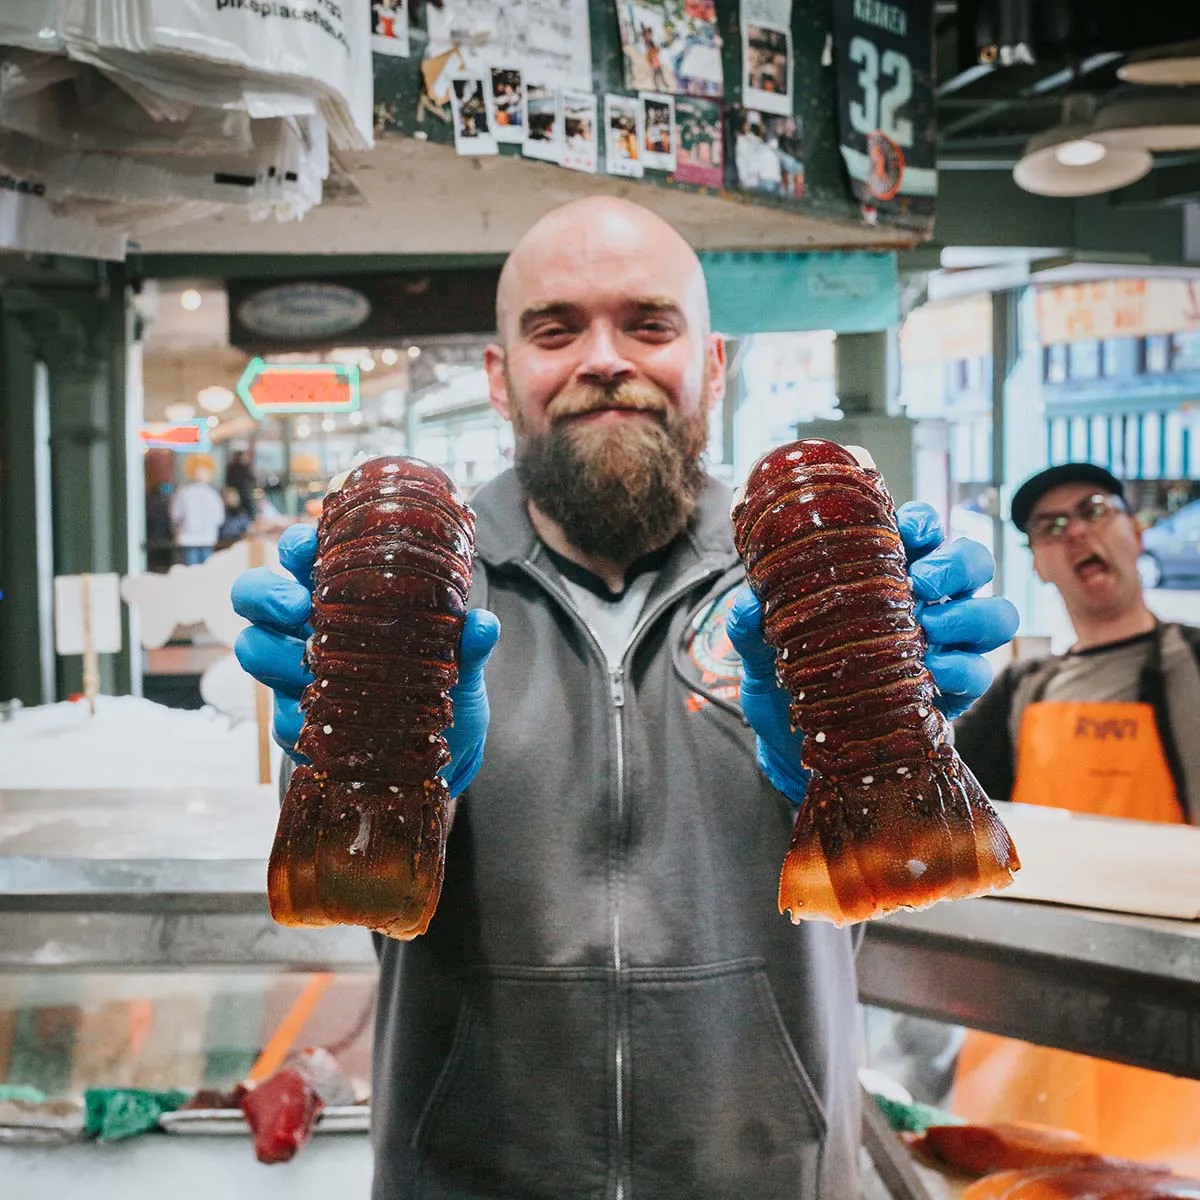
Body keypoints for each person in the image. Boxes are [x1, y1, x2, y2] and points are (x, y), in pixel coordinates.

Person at [231, 196, 1017, 1200]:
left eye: (649, 324)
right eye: (555, 329)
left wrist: (896, 729)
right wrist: (339, 761)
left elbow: (880, 887)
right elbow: (363, 901)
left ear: (716, 365)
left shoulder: (803, 572)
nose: (605, 359)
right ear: (498, 375)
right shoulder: (429, 586)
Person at [951, 461, 1200, 1170]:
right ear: (1039, 560)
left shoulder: (1195, 664)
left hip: (1170, 1003)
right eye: (1050, 527)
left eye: (1093, 509)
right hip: (1035, 1000)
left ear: (1132, 527)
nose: (1076, 531)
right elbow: (951, 826)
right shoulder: (1019, 691)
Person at [170, 454, 226, 566]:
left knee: (191, 572)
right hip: (207, 538)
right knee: (206, 571)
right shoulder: (213, 494)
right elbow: (219, 518)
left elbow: (175, 515)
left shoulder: (183, 493)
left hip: (188, 538)